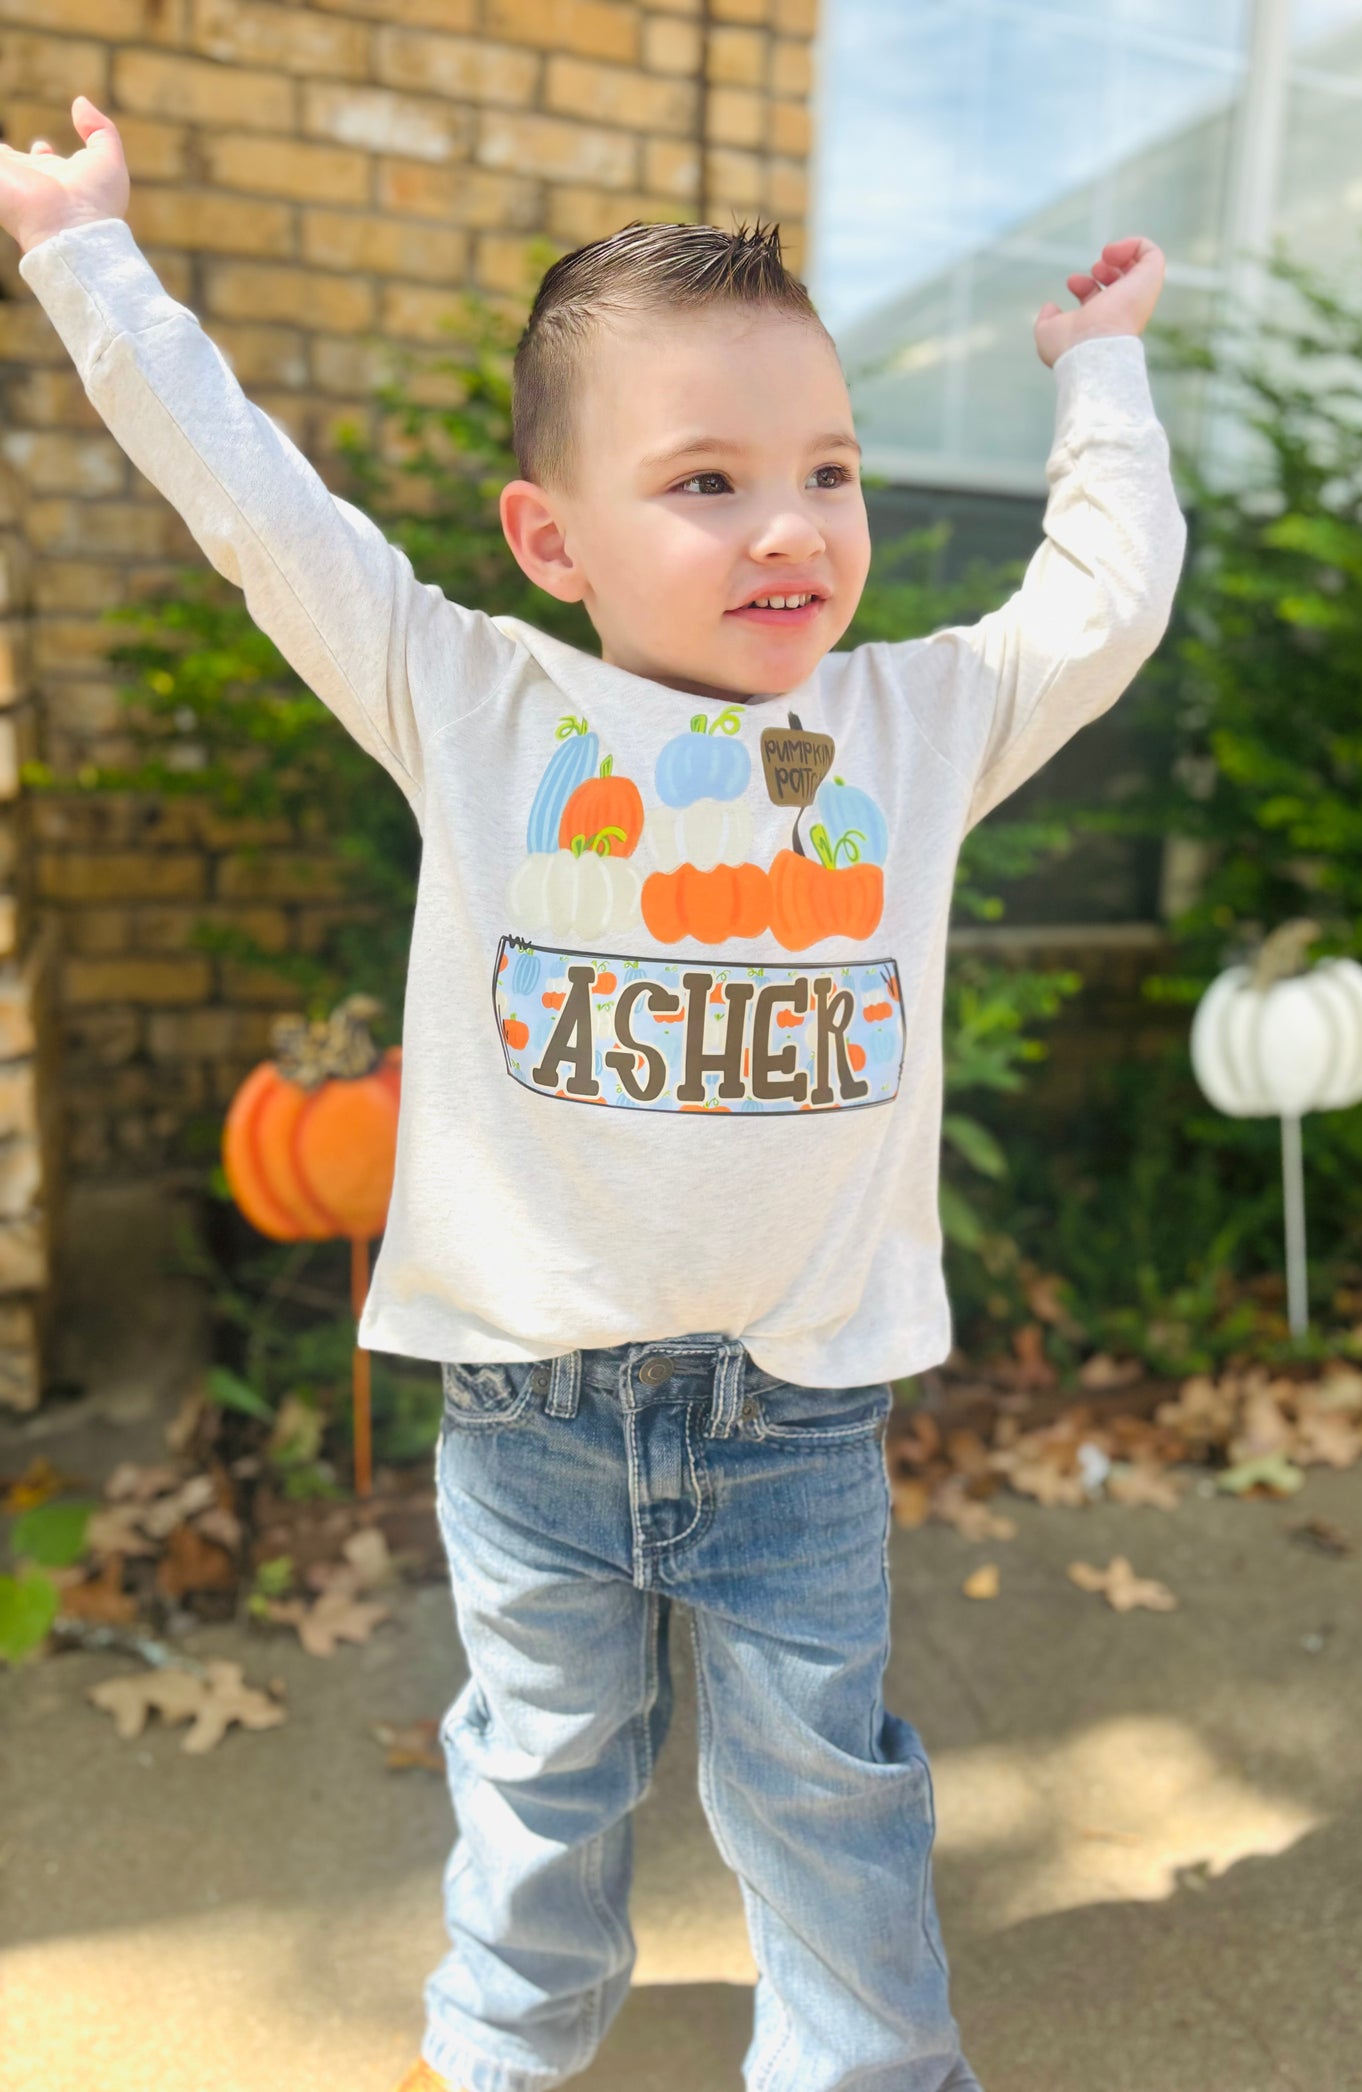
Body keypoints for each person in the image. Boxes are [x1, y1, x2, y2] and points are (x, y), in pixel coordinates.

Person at [4, 93, 1187, 2092]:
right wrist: (84, 253)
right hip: (531, 1409)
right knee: (542, 1773)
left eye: (826, 468)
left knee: (827, 1791)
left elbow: (1108, 596)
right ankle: (495, 2048)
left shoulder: (914, 720)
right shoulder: (470, 698)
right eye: (708, 478)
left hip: (797, 1409)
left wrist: (1109, 375)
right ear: (553, 539)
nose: (791, 522)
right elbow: (256, 506)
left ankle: (873, 2067)